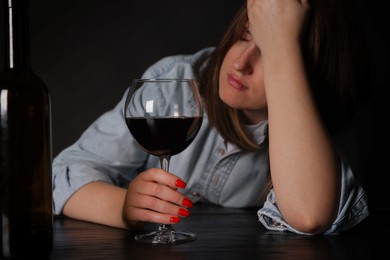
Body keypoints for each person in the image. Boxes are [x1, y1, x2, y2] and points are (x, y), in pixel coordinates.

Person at [53, 0, 369, 235]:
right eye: (246, 36)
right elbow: (64, 173)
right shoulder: (175, 82)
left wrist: (283, 45)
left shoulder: (324, 130)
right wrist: (123, 209)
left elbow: (310, 214)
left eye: (268, 52)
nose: (241, 63)